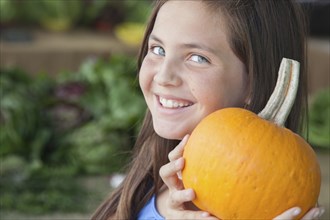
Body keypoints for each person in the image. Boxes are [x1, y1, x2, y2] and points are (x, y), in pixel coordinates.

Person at [91, 0, 325, 219]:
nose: (163, 76)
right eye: (158, 49)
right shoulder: (154, 177)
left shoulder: (265, 203)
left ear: (255, 81)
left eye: (197, 58)